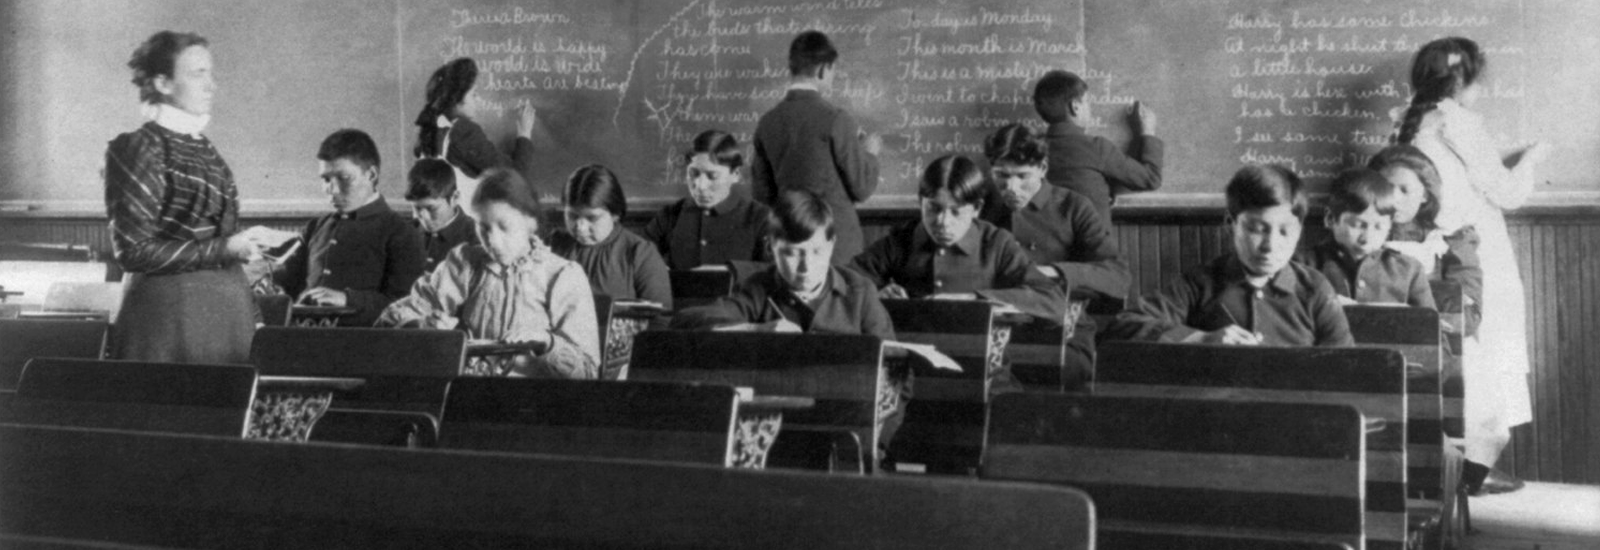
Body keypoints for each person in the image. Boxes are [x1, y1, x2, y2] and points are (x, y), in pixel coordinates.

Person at [1394, 36, 1549, 495]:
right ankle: (1472, 467)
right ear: (1465, 81)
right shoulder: (1459, 122)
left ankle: (1460, 463)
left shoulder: (1410, 124)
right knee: (1485, 356)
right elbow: (1508, 194)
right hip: (1472, 254)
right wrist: (1534, 157)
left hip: (1426, 256)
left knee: (1458, 358)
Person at [104, 31, 268, 363]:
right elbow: (133, 252)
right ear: (162, 83)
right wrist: (226, 248)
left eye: (210, 73)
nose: (212, 85)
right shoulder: (141, 147)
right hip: (170, 322)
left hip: (226, 319)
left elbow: (217, 235)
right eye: (198, 74)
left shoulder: (205, 148)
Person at [851, 155, 1086, 380]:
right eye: (933, 208)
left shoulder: (996, 243)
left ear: (976, 208)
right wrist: (875, 294)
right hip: (914, 375)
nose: (943, 222)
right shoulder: (902, 239)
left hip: (985, 373)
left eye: (956, 211)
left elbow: (1053, 302)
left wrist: (975, 299)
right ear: (920, 202)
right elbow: (846, 280)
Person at [378, 168, 599, 379]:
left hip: (532, 404)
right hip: (464, 395)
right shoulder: (464, 263)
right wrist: (421, 325)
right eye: (483, 227)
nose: (492, 241)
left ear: (531, 222)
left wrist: (546, 343)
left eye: (504, 227)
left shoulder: (561, 276)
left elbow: (588, 372)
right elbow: (388, 321)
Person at [1105, 165, 1351, 347]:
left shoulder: (1315, 289)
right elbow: (1125, 324)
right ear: (1230, 224)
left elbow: (1345, 365)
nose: (1270, 245)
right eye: (1256, 229)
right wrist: (1199, 337)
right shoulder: (1200, 283)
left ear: (1299, 231)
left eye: (1285, 231)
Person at [673, 190, 893, 340]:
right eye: (791, 253)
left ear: (831, 245)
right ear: (770, 249)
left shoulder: (860, 292)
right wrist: (755, 329)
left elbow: (896, 367)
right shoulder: (758, 289)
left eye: (817, 251)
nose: (806, 267)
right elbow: (685, 321)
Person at [752, 30, 881, 264]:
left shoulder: (767, 122)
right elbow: (862, 188)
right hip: (835, 245)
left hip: (790, 242)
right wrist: (869, 153)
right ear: (823, 69)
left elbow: (762, 194)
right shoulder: (837, 119)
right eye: (833, 71)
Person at [273, 129, 425, 327]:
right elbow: (287, 284)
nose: (332, 190)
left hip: (363, 348)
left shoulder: (402, 233)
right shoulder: (316, 227)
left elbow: (407, 305)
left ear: (371, 175)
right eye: (326, 179)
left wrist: (348, 299)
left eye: (344, 178)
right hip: (304, 340)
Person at [977, 123, 1130, 301]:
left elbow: (1118, 276)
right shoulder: (979, 205)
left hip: (1060, 320)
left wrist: (1053, 272)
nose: (1011, 188)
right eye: (1001, 175)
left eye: (1022, 176)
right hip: (994, 318)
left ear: (1042, 169)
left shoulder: (1074, 206)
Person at [1369, 144, 1483, 334]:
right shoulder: (1360, 235)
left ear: (1424, 194)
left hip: (1431, 342)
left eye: (1405, 190)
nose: (1395, 199)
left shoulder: (1447, 240)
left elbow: (1468, 318)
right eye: (1386, 188)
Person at [1033, 70, 1163, 223]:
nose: (1090, 108)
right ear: (1075, 106)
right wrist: (1148, 131)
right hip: (1092, 243)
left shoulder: (1032, 149)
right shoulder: (1097, 148)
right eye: (1087, 102)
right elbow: (1150, 179)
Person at [1295, 168, 1435, 308]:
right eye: (1358, 225)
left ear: (1389, 225)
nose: (1367, 238)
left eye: (1379, 227)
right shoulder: (1303, 265)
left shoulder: (1410, 270)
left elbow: (1430, 325)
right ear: (1330, 219)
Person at [413, 57, 537, 202]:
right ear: (456, 99)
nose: (477, 98)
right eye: (473, 94)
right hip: (467, 221)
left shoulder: (431, 127)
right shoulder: (462, 131)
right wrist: (524, 133)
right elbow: (515, 177)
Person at [643, 130, 771, 270]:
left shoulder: (760, 217)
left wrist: (732, 271)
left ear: (735, 175)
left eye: (712, 176)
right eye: (693, 174)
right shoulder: (670, 215)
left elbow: (776, 270)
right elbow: (640, 256)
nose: (700, 185)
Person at [550, 164, 673, 309]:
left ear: (615, 214)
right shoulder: (553, 246)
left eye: (592, 218)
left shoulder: (640, 254)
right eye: (572, 215)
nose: (580, 227)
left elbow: (660, 319)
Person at [407, 158, 479, 273]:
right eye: (417, 208)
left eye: (432, 209)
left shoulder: (477, 237)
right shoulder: (403, 233)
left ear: (455, 198)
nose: (424, 218)